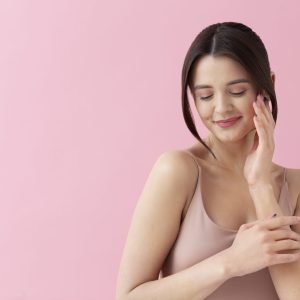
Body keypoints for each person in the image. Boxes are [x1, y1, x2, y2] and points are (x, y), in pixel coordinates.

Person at [115, 22, 300, 300]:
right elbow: (128, 297)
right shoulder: (179, 171)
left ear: (267, 86)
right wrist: (230, 263)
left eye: (236, 91)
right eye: (205, 96)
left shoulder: (294, 185)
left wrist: (261, 186)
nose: (221, 108)